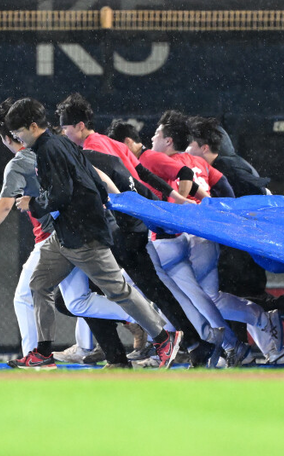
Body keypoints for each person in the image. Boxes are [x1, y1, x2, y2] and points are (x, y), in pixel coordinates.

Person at [5, 98, 182, 369]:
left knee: (119, 291)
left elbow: (61, 194)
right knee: (39, 285)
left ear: (32, 126)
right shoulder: (62, 142)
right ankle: (42, 352)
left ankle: (163, 337)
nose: (16, 137)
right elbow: (94, 178)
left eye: (18, 131)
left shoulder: (50, 149)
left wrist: (33, 204)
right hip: (68, 234)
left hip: (84, 235)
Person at [55, 93, 225, 368]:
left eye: (65, 126)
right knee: (153, 289)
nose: (63, 132)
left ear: (80, 125)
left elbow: (113, 184)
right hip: (135, 224)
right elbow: (141, 174)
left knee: (87, 295)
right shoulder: (111, 144)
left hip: (121, 228)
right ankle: (195, 344)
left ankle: (122, 350)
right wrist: (162, 205)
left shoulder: (92, 149)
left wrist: (153, 211)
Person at [0, 98, 120, 363]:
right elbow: (98, 175)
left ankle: (35, 358)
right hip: (82, 229)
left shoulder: (20, 162)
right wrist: (116, 204)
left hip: (54, 238)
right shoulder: (58, 145)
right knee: (79, 301)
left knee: (26, 295)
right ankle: (144, 317)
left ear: (9, 137)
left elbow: (4, 204)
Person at [152, 110, 284, 364]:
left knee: (180, 298)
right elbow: (226, 194)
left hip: (179, 239)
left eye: (156, 134)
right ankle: (242, 335)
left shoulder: (157, 161)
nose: (152, 138)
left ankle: (214, 346)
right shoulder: (203, 164)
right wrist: (217, 218)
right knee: (208, 297)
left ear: (169, 140)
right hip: (205, 238)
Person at [186, 115, 284, 356]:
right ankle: (277, 331)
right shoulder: (232, 165)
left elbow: (247, 208)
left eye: (190, 145)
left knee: (234, 297)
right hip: (244, 246)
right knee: (235, 299)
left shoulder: (228, 170)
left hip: (243, 247)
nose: (186, 151)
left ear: (204, 147)